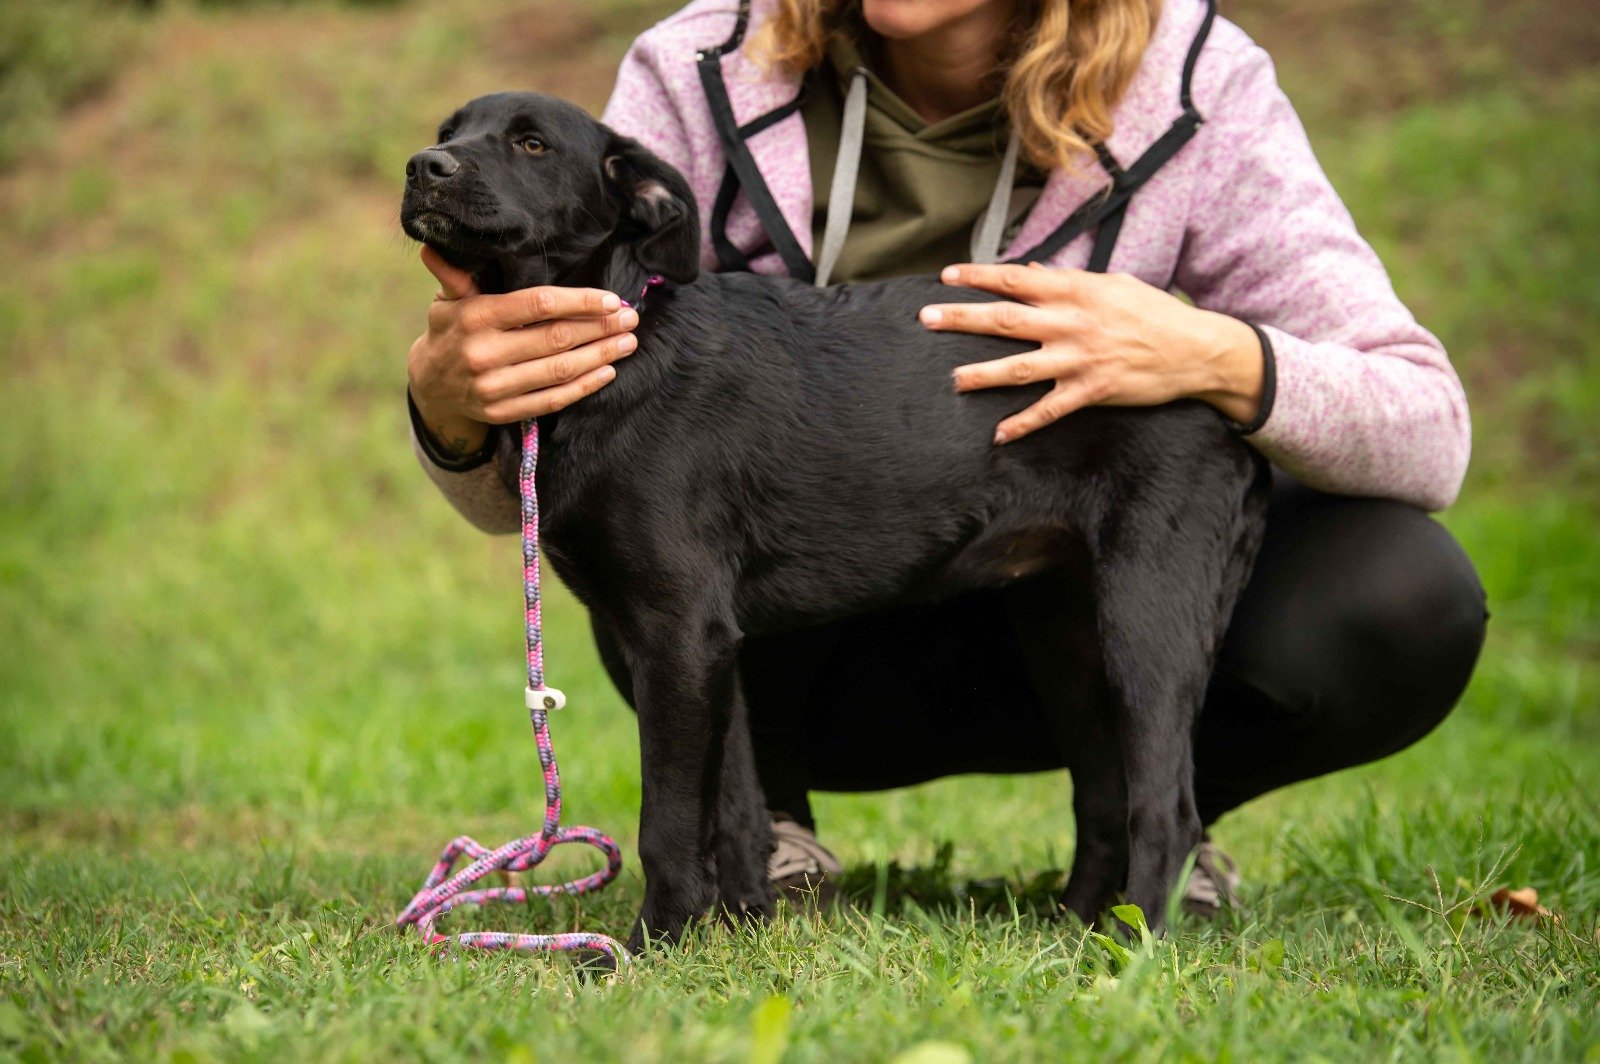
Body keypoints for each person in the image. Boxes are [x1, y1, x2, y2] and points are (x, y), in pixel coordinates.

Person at [404, 0, 1488, 916]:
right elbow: (557, 471)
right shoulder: (703, 64)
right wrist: (455, 408)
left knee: (1401, 588)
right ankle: (757, 836)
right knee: (662, 540)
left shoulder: (1194, 84)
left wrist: (1212, 350)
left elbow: (1426, 420)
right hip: (810, 626)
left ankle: (1148, 836)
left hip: (1085, 573)